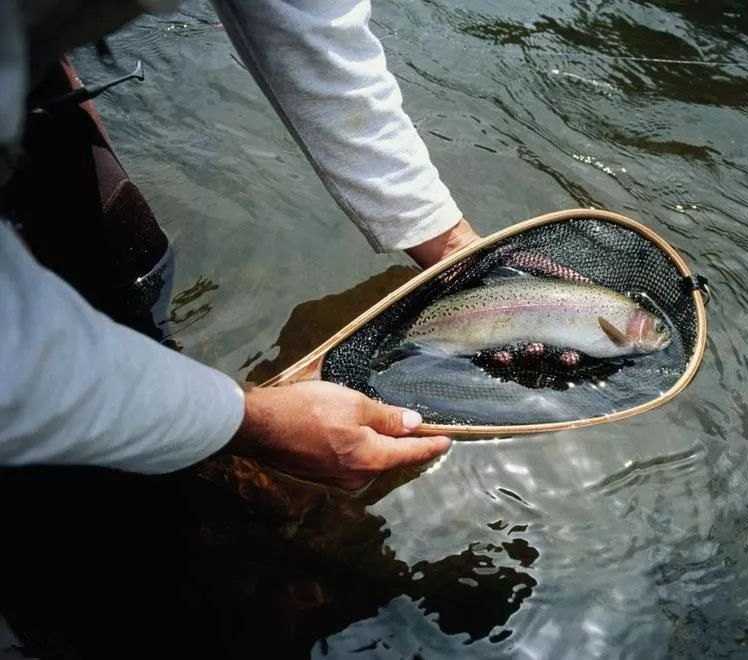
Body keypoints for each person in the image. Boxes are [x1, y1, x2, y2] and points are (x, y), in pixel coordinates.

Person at [0, 0, 482, 491]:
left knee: (135, 269)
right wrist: (253, 424)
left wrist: (449, 244)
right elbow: (11, 361)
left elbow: (310, 22)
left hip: (29, 62)